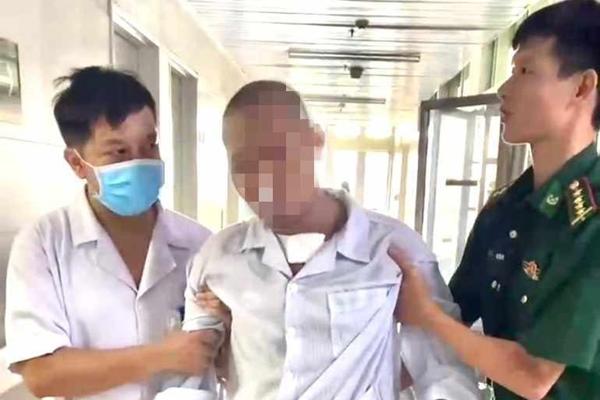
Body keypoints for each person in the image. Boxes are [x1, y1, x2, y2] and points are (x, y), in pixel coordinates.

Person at [158, 80, 480, 400]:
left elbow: (443, 370)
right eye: (244, 165)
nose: (264, 178)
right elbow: (190, 377)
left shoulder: (392, 251)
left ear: (316, 141)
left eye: (278, 154)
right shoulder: (219, 257)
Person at [390, 1, 600, 399]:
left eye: (526, 71)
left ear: (582, 87)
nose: (505, 89)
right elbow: (455, 315)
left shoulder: (590, 224)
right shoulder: (504, 211)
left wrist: (428, 315)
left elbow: (533, 377)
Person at [4, 66, 223, 400]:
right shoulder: (43, 245)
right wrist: (163, 356)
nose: (141, 161)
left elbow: (234, 360)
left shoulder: (201, 244)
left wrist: (230, 323)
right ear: (77, 163)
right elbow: (41, 374)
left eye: (150, 145)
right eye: (119, 152)